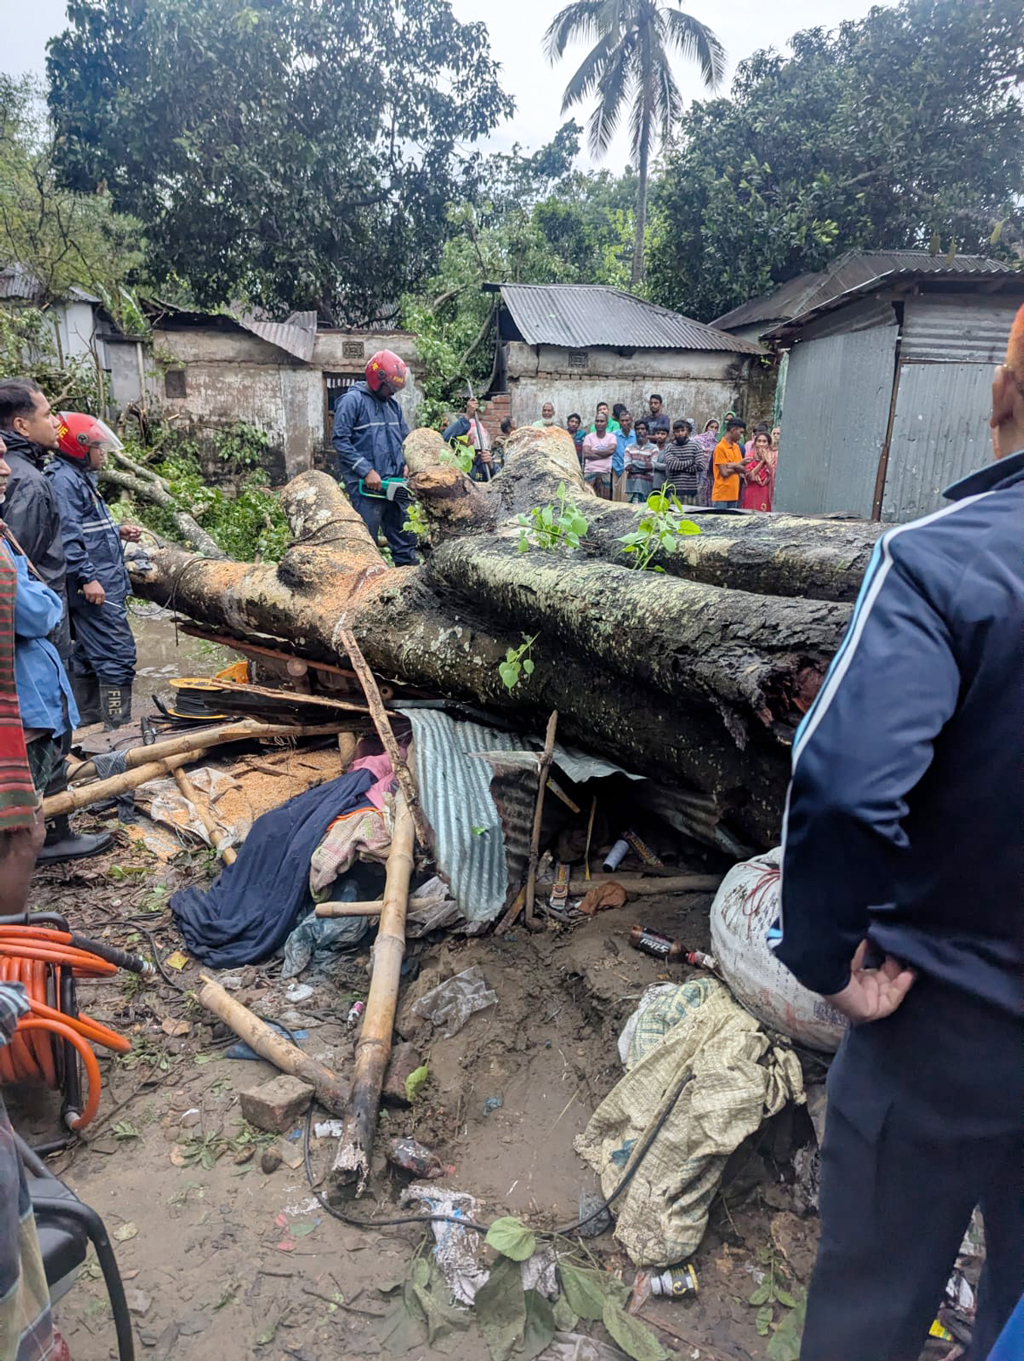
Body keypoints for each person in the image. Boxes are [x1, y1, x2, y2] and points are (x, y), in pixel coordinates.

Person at [772, 303, 1024, 1361]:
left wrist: (824, 960)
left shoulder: (939, 560)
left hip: (936, 1024)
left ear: (1000, 394)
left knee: (870, 1305)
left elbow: (841, 787)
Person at [47, 414, 140, 734]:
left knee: (87, 652)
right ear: (80, 447)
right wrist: (87, 578)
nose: (103, 454)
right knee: (117, 654)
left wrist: (116, 530)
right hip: (95, 585)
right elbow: (67, 537)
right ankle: (117, 728)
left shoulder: (77, 477)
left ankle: (88, 723)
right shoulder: (65, 481)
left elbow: (83, 527)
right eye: (99, 447)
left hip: (101, 580)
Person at [332, 349, 417, 565]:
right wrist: (366, 470)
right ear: (376, 378)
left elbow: (405, 438)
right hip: (366, 487)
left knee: (406, 538)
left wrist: (407, 462)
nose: (392, 393)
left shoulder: (393, 406)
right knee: (365, 545)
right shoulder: (352, 401)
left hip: (394, 483)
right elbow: (340, 440)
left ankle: (407, 577)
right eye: (390, 388)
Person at [442, 395, 494, 482]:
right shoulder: (458, 454)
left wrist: (491, 466)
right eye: (471, 438)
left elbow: (500, 480)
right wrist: (467, 416)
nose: (473, 441)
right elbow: (446, 437)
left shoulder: (485, 459)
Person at [663, 418, 706, 505]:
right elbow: (672, 465)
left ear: (688, 432)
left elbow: (700, 465)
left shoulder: (695, 446)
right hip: (674, 492)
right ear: (674, 433)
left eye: (682, 431)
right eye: (677, 431)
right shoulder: (669, 447)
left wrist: (679, 466)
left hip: (691, 491)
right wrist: (690, 462)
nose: (680, 433)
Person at [580, 410, 618, 499]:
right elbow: (586, 454)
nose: (599, 423)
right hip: (590, 472)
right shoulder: (588, 437)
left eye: (602, 421)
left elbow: (611, 451)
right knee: (587, 499)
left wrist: (593, 451)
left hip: (605, 472)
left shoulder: (611, 437)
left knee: (604, 501)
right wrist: (604, 453)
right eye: (597, 421)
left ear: (606, 423)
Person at [711, 418, 747, 509]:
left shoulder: (736, 447)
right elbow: (724, 473)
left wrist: (731, 465)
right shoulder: (720, 447)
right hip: (721, 495)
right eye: (740, 432)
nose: (741, 436)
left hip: (734, 494)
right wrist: (736, 465)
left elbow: (742, 468)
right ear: (733, 430)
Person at [739, 429, 777, 512]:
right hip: (752, 488)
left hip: (765, 490)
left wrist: (767, 460)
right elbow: (749, 476)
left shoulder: (773, 456)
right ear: (755, 443)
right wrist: (762, 461)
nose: (761, 444)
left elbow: (774, 473)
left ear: (768, 444)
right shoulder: (750, 456)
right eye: (759, 441)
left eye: (764, 441)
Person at [624, 419, 656, 503]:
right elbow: (627, 467)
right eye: (637, 429)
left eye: (642, 429)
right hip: (631, 487)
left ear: (647, 431)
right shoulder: (629, 448)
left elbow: (652, 466)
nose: (640, 431)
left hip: (646, 487)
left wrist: (634, 462)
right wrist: (644, 466)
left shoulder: (654, 448)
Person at [612, 410, 634, 501]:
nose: (624, 423)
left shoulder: (635, 436)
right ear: (619, 422)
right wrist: (618, 468)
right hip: (617, 470)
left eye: (627, 420)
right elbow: (612, 454)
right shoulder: (614, 435)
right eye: (622, 421)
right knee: (617, 497)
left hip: (631, 471)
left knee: (628, 497)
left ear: (631, 421)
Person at [650, 426, 669, 492]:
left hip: (664, 484)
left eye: (663, 434)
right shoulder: (649, 448)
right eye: (657, 433)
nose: (660, 436)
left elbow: (668, 466)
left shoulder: (670, 449)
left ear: (667, 436)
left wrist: (652, 464)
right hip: (648, 484)